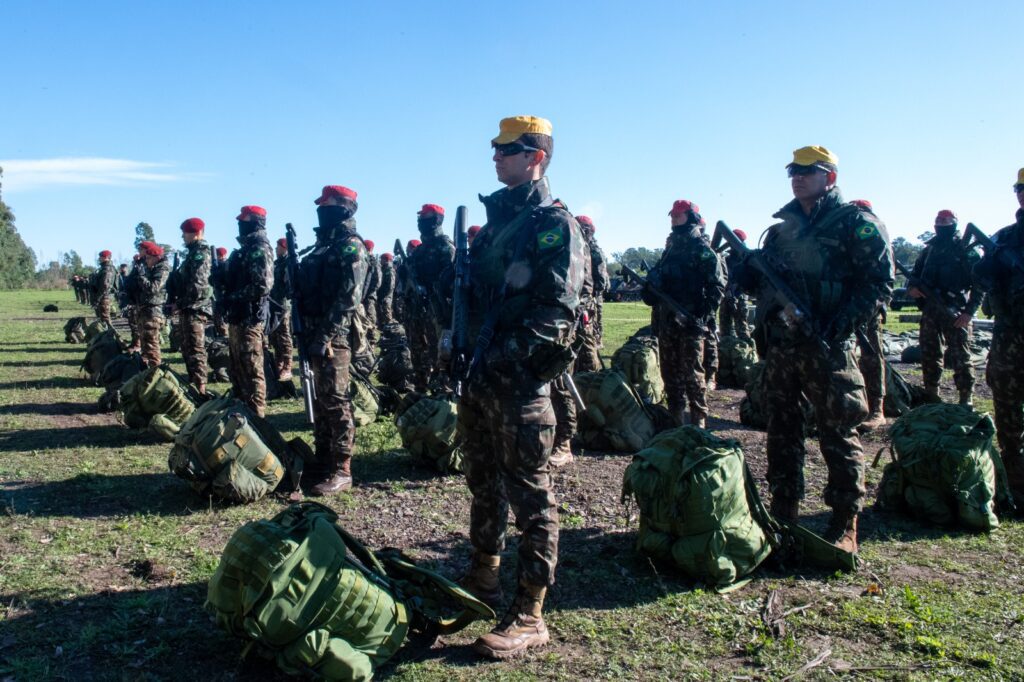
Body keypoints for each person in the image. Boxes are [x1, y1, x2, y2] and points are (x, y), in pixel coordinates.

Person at [457, 115, 585, 659]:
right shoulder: (492, 226)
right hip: (480, 375)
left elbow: (557, 311)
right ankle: (482, 578)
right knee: (482, 482)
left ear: (536, 156)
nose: (497, 157)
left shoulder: (551, 224)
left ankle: (530, 611)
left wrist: (507, 360)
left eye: (509, 149)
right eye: (496, 149)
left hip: (517, 381)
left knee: (530, 493)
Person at [735, 145, 893, 553]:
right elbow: (760, 283)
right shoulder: (782, 227)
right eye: (793, 169)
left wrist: (839, 324)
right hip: (783, 347)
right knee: (782, 430)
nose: (798, 176)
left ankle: (845, 522)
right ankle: (782, 511)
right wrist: (747, 272)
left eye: (809, 170)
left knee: (838, 430)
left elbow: (878, 284)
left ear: (831, 177)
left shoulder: (854, 223)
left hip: (828, 345)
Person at [296, 185, 368, 494]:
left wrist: (324, 335)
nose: (321, 209)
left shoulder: (351, 247)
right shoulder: (320, 247)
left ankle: (342, 468)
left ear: (344, 206)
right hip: (312, 331)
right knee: (319, 400)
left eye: (327, 204)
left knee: (337, 401)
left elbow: (348, 299)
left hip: (333, 336)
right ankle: (323, 457)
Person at [643, 200, 726, 428]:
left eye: (678, 216)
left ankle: (699, 420)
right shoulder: (670, 250)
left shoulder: (701, 249)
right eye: (672, 216)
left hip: (691, 323)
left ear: (691, 218)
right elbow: (657, 280)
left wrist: (702, 316)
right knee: (670, 372)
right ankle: (676, 418)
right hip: (668, 321)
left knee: (693, 374)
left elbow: (716, 287)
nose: (674, 219)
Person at [973, 167, 1024, 504]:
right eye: (1019, 188)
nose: (1023, 193)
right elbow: (979, 278)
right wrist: (989, 267)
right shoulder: (1003, 238)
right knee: (1007, 410)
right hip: (1010, 337)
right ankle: (1015, 486)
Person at [908, 209, 981, 405]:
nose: (940, 223)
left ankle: (966, 398)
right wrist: (913, 289)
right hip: (930, 311)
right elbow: (914, 276)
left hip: (956, 311)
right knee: (929, 354)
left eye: (944, 219)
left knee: (961, 355)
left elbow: (980, 284)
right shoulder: (928, 250)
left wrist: (968, 312)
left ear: (955, 222)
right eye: (938, 219)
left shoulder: (965, 249)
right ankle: (932, 395)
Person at [222, 205, 274, 417]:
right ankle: (241, 413)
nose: (240, 224)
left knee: (252, 370)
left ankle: (257, 416)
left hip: (250, 318)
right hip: (238, 317)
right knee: (237, 369)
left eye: (244, 220)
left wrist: (231, 297)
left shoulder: (260, 248)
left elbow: (262, 285)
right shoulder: (244, 250)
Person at [849, 200, 889, 431]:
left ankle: (877, 409)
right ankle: (856, 407)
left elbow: (882, 277)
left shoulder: (869, 227)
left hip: (867, 308)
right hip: (844, 305)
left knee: (872, 356)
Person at [405, 205, 454, 391]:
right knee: (416, 346)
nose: (421, 220)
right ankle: (421, 385)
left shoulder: (445, 247)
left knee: (437, 350)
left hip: (437, 309)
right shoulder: (419, 251)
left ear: (437, 219)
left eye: (425, 216)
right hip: (416, 308)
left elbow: (449, 283)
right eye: (420, 217)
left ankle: (442, 389)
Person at [170, 218, 214, 394]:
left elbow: (198, 286)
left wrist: (178, 303)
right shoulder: (191, 253)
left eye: (185, 232)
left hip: (196, 308)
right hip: (188, 307)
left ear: (196, 233)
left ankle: (201, 389)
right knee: (187, 348)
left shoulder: (200, 254)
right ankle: (194, 386)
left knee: (196, 349)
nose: (182, 236)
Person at [573, 216, 610, 373]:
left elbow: (601, 280)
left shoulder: (593, 250)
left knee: (589, 339)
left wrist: (591, 296)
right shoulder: (578, 247)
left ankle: (591, 376)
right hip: (579, 300)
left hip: (590, 300)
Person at [134, 241, 170, 367]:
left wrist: (142, 275)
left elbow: (152, 288)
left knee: (152, 346)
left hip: (154, 312)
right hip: (146, 310)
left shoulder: (162, 268)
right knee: (145, 345)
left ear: (157, 258)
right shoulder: (152, 268)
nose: (147, 261)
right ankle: (147, 371)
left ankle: (155, 371)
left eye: (149, 258)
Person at [720, 229, 753, 340]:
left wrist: (736, 294)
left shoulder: (746, 259)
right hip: (726, 296)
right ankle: (727, 352)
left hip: (740, 297)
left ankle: (747, 353)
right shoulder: (727, 259)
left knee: (742, 328)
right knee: (725, 328)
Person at [269, 237, 294, 383]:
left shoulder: (287, 264)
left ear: (284, 248)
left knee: (284, 336)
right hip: (273, 304)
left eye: (278, 246)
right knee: (274, 336)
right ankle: (279, 362)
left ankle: (287, 365)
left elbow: (288, 285)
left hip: (283, 305)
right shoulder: (276, 264)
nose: (276, 249)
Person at [361, 239, 381, 344]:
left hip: (369, 297)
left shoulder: (374, 262)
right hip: (361, 296)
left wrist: (368, 294)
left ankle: (372, 342)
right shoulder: (364, 260)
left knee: (370, 319)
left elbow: (377, 282)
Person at [92, 250, 118, 324]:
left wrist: (98, 299)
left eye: (101, 257)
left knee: (105, 319)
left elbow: (105, 286)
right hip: (103, 296)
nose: (99, 258)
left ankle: (110, 334)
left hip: (104, 297)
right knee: (102, 319)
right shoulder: (103, 268)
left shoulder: (108, 269)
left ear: (106, 257)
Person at [212, 246, 230, 337]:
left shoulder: (227, 265)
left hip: (225, 295)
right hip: (217, 295)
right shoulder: (216, 266)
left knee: (223, 318)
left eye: (221, 255)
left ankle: (225, 336)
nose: (220, 257)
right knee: (217, 317)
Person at [377, 252, 396, 326]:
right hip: (382, 295)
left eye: (381, 259)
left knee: (387, 313)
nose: (380, 261)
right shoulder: (384, 269)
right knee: (382, 314)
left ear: (386, 260)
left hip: (386, 296)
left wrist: (384, 296)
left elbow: (390, 285)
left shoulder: (389, 270)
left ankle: (390, 332)